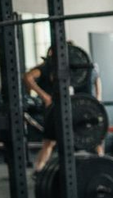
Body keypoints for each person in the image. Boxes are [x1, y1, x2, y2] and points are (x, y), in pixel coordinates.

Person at [25, 43, 105, 171]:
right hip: (56, 109)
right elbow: (28, 77)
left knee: (95, 138)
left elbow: (97, 78)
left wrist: (98, 98)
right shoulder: (48, 66)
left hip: (81, 108)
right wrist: (45, 97)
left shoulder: (84, 66)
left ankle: (103, 166)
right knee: (49, 142)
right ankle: (38, 170)